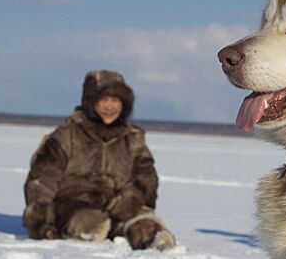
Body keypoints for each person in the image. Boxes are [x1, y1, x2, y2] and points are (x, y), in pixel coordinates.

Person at [23, 70, 175, 250]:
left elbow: (146, 177)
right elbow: (42, 180)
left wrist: (133, 197)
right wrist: (42, 220)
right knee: (90, 225)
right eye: (104, 100)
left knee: (147, 226)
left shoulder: (133, 139)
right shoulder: (66, 136)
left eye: (115, 101)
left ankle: (155, 244)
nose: (109, 106)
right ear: (90, 102)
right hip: (72, 206)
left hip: (119, 206)